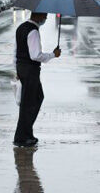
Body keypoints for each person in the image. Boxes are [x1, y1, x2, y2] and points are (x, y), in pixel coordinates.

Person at [13, 11, 61, 147]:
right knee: (29, 103)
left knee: (36, 98)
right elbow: (35, 55)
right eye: (44, 16)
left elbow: (15, 52)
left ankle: (27, 133)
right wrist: (53, 54)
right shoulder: (33, 31)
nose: (45, 18)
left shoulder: (21, 28)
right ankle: (21, 137)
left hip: (22, 68)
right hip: (30, 70)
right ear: (38, 15)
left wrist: (16, 69)